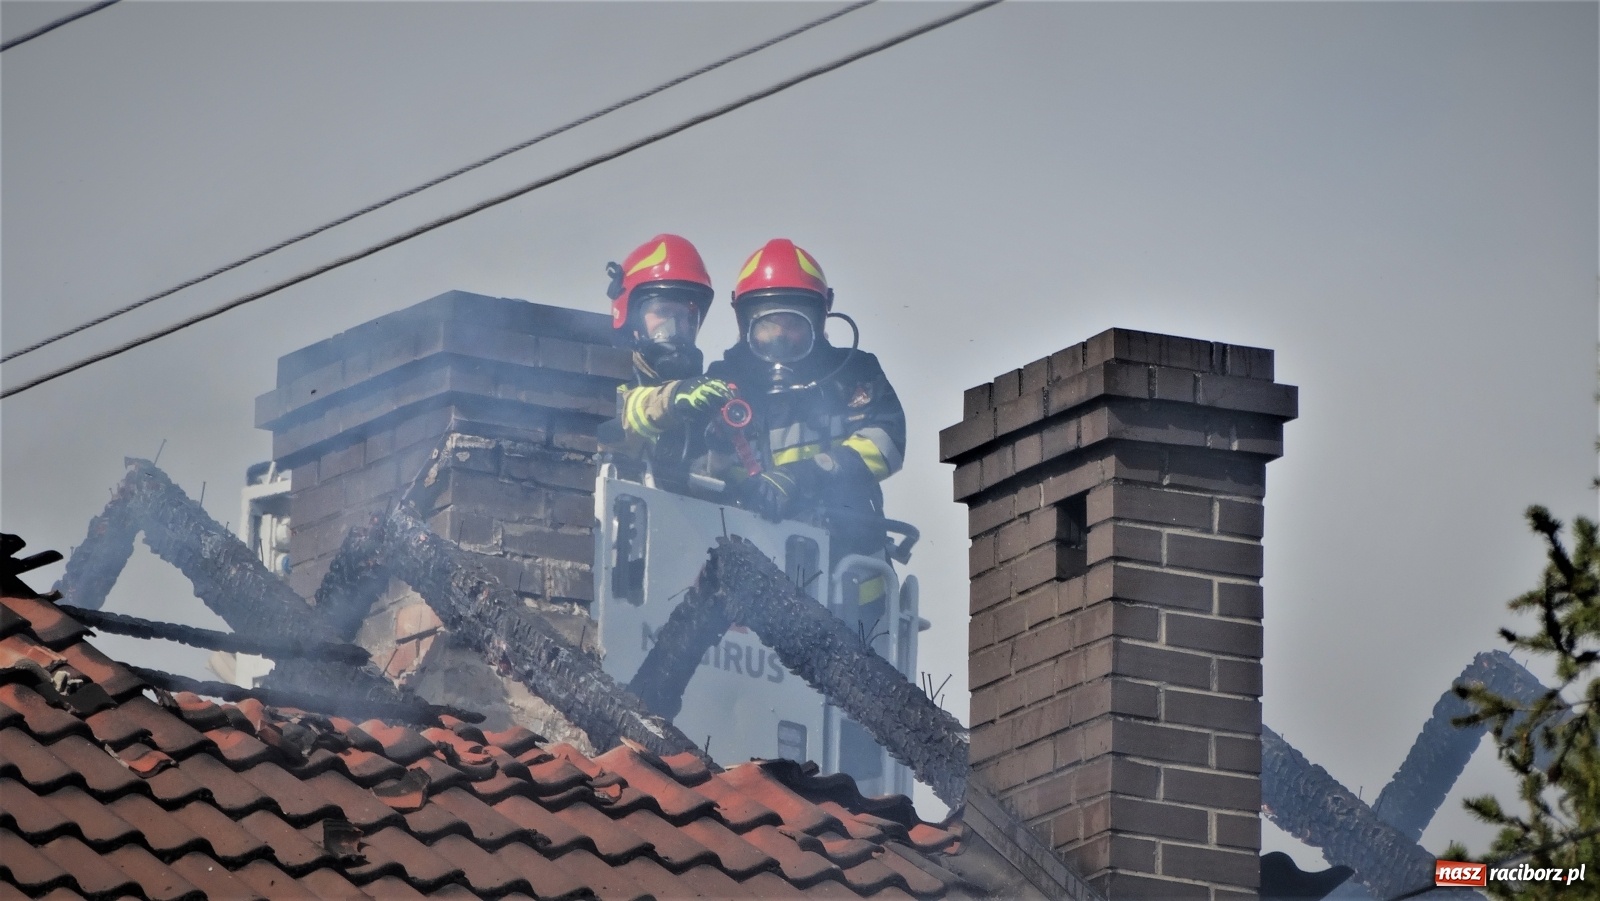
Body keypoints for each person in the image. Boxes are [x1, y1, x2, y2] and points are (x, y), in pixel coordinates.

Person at [706, 238, 907, 554]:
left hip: (850, 569)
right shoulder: (724, 385)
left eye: (793, 323)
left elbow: (886, 444)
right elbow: (705, 473)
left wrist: (803, 476)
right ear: (745, 322)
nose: (781, 336)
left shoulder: (853, 373)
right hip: (753, 561)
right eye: (769, 323)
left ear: (819, 317)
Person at [600, 234, 734, 491]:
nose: (676, 327)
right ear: (630, 317)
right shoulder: (606, 375)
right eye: (663, 312)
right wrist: (672, 399)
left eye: (685, 316)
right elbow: (611, 425)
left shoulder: (695, 396)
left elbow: (701, 478)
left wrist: (721, 451)